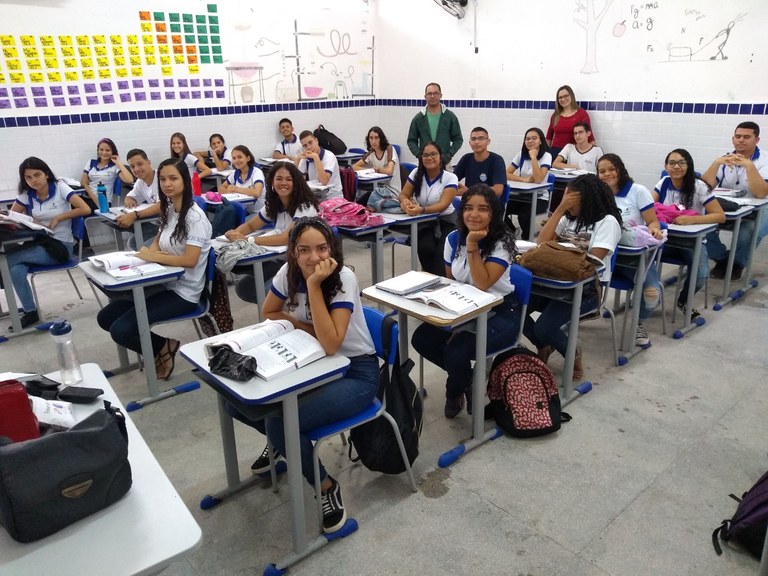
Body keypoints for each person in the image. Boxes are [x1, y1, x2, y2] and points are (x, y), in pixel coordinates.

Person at [233, 217, 379, 534]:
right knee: (236, 399)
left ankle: (325, 486)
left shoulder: (342, 278)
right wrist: (305, 328)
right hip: (311, 362)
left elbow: (331, 344)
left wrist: (313, 286)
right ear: (293, 252)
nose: (314, 258)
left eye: (322, 248)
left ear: (333, 249)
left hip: (356, 372)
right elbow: (270, 311)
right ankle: (284, 444)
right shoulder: (288, 272)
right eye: (304, 250)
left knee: (280, 422)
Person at [97, 158, 212, 381]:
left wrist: (153, 256)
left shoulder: (195, 217)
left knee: (121, 330)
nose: (167, 184)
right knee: (106, 316)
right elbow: (158, 240)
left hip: (183, 292)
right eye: (163, 179)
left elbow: (190, 260)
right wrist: (148, 256)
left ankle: (163, 346)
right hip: (163, 281)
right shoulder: (169, 208)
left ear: (186, 181)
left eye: (173, 178)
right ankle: (160, 348)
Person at [412, 184, 519, 418]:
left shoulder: (502, 242)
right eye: (468, 208)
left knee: (456, 352)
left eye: (483, 209)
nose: (474, 214)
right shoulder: (453, 239)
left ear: (493, 212)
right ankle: (468, 381)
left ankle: (454, 391)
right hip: (465, 307)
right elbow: (453, 282)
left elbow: (482, 284)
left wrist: (472, 245)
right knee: (421, 339)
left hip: (501, 311)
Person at [523, 174, 622, 382]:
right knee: (516, 307)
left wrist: (556, 253)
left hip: (587, 289)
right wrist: (559, 210)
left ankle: (573, 352)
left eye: (571, 199)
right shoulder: (567, 218)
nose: (568, 204)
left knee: (544, 327)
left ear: (586, 199)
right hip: (555, 282)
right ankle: (544, 345)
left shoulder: (607, 222)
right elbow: (541, 243)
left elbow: (592, 262)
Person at [6, 157, 91, 329]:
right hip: (39, 244)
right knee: (15, 269)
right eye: (28, 178)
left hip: (61, 247)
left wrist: (59, 217)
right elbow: (11, 218)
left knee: (6, 261)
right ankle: (31, 312)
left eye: (37, 175)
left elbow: (85, 209)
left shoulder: (60, 187)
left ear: (46, 173)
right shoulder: (26, 194)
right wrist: (29, 220)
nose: (33, 180)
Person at [225, 162, 320, 303]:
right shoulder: (275, 203)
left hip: (302, 265)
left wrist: (247, 240)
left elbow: (286, 238)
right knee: (244, 288)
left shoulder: (305, 207)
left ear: (297, 182)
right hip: (281, 259)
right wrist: (234, 233)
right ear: (272, 182)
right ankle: (281, 310)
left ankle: (286, 311)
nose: (283, 183)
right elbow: (251, 225)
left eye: (289, 179)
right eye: (279, 179)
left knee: (264, 290)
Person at [597, 153, 663, 346]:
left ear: (620, 169)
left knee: (652, 294)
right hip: (604, 256)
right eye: (602, 171)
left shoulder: (637, 191)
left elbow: (652, 220)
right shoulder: (598, 193)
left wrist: (654, 229)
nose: (607, 174)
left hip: (633, 258)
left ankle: (639, 322)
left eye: (611, 169)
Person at [652, 149, 725, 319]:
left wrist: (692, 220)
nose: (676, 167)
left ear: (689, 166)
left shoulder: (698, 186)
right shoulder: (663, 182)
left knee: (701, 273)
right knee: (641, 260)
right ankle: (650, 296)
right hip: (666, 239)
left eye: (681, 163)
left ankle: (684, 301)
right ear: (666, 166)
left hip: (691, 241)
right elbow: (648, 207)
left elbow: (720, 216)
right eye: (672, 163)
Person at [701, 121, 768, 280]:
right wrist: (716, 163)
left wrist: (749, 166)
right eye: (738, 136)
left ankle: (737, 263)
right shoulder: (726, 159)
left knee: (749, 231)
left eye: (746, 137)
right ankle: (722, 258)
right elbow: (704, 188)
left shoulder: (765, 160)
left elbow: (760, 194)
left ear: (756, 140)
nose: (741, 140)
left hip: (761, 208)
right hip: (731, 207)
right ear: (733, 139)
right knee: (701, 223)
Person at [399, 141, 458, 275]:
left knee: (440, 257)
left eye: (433, 154)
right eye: (425, 155)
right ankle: (429, 280)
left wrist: (421, 210)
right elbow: (403, 194)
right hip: (425, 221)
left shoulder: (450, 177)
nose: (429, 158)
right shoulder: (416, 173)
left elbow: (442, 206)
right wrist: (405, 202)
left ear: (440, 156)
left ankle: (440, 283)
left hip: (447, 222)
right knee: (425, 249)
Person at [505, 127, 552, 239]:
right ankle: (511, 231)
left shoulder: (546, 156)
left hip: (540, 197)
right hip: (522, 196)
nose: (530, 141)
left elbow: (539, 179)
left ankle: (527, 240)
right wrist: (523, 179)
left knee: (524, 216)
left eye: (534, 138)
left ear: (541, 141)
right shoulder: (521, 154)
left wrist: (533, 157)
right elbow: (507, 173)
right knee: (498, 208)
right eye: (527, 139)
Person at [114, 149, 161, 250]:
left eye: (140, 164)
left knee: (141, 246)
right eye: (132, 166)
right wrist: (129, 199)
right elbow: (129, 196)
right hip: (159, 224)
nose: (136, 169)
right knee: (133, 242)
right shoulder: (140, 182)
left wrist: (135, 215)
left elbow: (161, 206)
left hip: (172, 227)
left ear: (149, 162)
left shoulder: (161, 178)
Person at [406, 82, 463, 166]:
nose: (432, 96)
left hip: (444, 163)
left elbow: (458, 139)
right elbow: (411, 140)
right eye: (429, 93)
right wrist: (420, 155)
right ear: (425, 97)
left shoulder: (450, 116)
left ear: (440, 95)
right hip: (425, 163)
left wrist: (449, 155)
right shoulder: (419, 118)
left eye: (435, 93)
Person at [80, 137, 134, 208]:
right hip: (88, 198)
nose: (104, 153)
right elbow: (83, 182)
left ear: (112, 152)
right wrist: (92, 196)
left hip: (103, 202)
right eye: (101, 150)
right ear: (98, 151)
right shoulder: (91, 162)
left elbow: (130, 180)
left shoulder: (115, 167)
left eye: (107, 150)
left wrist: (118, 162)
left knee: (76, 208)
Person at [453, 127, 507, 198]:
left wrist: (469, 191)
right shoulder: (466, 158)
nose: (476, 142)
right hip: (468, 202)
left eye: (481, 138)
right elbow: (451, 179)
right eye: (473, 139)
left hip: (489, 203)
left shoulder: (497, 160)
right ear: (470, 143)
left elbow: (498, 191)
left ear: (488, 141)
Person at [546, 85, 595, 157]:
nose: (563, 99)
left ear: (571, 96)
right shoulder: (555, 116)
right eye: (560, 97)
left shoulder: (582, 114)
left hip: (574, 152)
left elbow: (589, 136)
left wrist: (593, 154)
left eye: (566, 96)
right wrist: (546, 155)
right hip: (556, 152)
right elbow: (549, 137)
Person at [219, 145, 266, 215]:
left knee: (236, 224)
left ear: (248, 158)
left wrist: (236, 189)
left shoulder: (256, 172)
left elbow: (257, 193)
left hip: (260, 213)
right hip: (245, 212)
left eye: (239, 157)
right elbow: (221, 188)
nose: (236, 160)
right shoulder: (235, 173)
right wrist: (228, 191)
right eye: (234, 158)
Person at [352, 125, 401, 190]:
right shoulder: (371, 152)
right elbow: (354, 167)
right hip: (378, 189)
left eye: (376, 138)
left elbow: (389, 171)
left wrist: (377, 170)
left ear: (381, 139)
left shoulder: (389, 149)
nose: (373, 141)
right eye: (371, 138)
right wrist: (370, 170)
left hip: (392, 190)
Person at [297, 130, 343, 199]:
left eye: (310, 142)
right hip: (315, 195)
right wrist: (297, 159)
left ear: (316, 141)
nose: (309, 147)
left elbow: (324, 181)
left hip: (332, 196)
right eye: (305, 145)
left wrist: (316, 158)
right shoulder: (306, 157)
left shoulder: (329, 156)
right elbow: (296, 180)